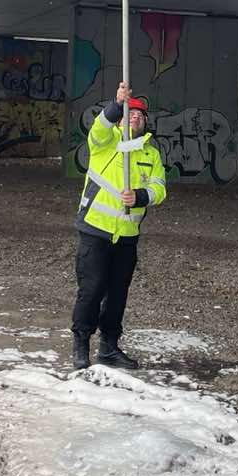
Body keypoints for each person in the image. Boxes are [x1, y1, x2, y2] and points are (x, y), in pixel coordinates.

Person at [71, 81, 166, 370]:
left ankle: (109, 347)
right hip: (96, 231)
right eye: (129, 114)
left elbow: (160, 189)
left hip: (127, 236)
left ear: (145, 122)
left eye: (139, 115)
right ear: (121, 119)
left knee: (117, 295)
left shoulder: (150, 154)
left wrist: (140, 196)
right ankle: (81, 344)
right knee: (91, 290)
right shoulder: (105, 142)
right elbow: (99, 127)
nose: (134, 118)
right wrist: (116, 105)